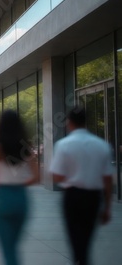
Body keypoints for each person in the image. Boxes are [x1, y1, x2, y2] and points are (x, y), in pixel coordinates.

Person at [49, 107, 113, 265]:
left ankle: (80, 260)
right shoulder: (101, 145)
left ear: (69, 122)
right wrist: (107, 208)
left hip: (72, 197)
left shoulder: (63, 145)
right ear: (85, 122)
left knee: (75, 238)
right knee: (87, 238)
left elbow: (56, 176)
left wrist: (72, 175)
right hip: (93, 198)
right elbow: (108, 179)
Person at [0, 110, 39, 265]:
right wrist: (20, 183)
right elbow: (37, 177)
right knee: (13, 246)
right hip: (21, 198)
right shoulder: (26, 147)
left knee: (8, 249)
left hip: (3, 197)